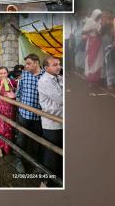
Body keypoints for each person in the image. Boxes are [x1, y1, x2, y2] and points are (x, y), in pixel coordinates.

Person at [15, 54, 44, 173]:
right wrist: (19, 104)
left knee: (36, 140)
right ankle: (19, 161)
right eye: (26, 64)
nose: (26, 66)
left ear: (36, 63)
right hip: (24, 113)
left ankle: (34, 162)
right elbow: (19, 91)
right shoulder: (25, 75)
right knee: (21, 138)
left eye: (28, 64)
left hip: (38, 116)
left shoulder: (45, 76)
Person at [38, 56, 63, 186]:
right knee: (51, 154)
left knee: (59, 152)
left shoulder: (59, 78)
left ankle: (57, 180)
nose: (58, 66)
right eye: (54, 65)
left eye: (59, 64)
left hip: (61, 121)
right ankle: (46, 182)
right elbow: (61, 99)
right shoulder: (44, 81)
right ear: (46, 68)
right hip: (52, 123)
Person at [0, 67, 17, 158]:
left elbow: (16, 92)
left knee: (9, 127)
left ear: (7, 73)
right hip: (0, 108)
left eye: (5, 73)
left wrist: (12, 93)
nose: (3, 75)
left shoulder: (12, 81)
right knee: (0, 128)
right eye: (1, 73)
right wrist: (2, 85)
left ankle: (7, 147)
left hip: (10, 108)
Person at [82, 9, 103, 86]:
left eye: (100, 16)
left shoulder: (100, 21)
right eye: (98, 16)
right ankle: (90, 79)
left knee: (99, 60)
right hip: (91, 42)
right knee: (90, 59)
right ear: (95, 15)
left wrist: (99, 32)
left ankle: (96, 78)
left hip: (99, 42)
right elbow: (83, 31)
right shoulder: (90, 21)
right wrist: (92, 29)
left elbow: (102, 31)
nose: (99, 17)